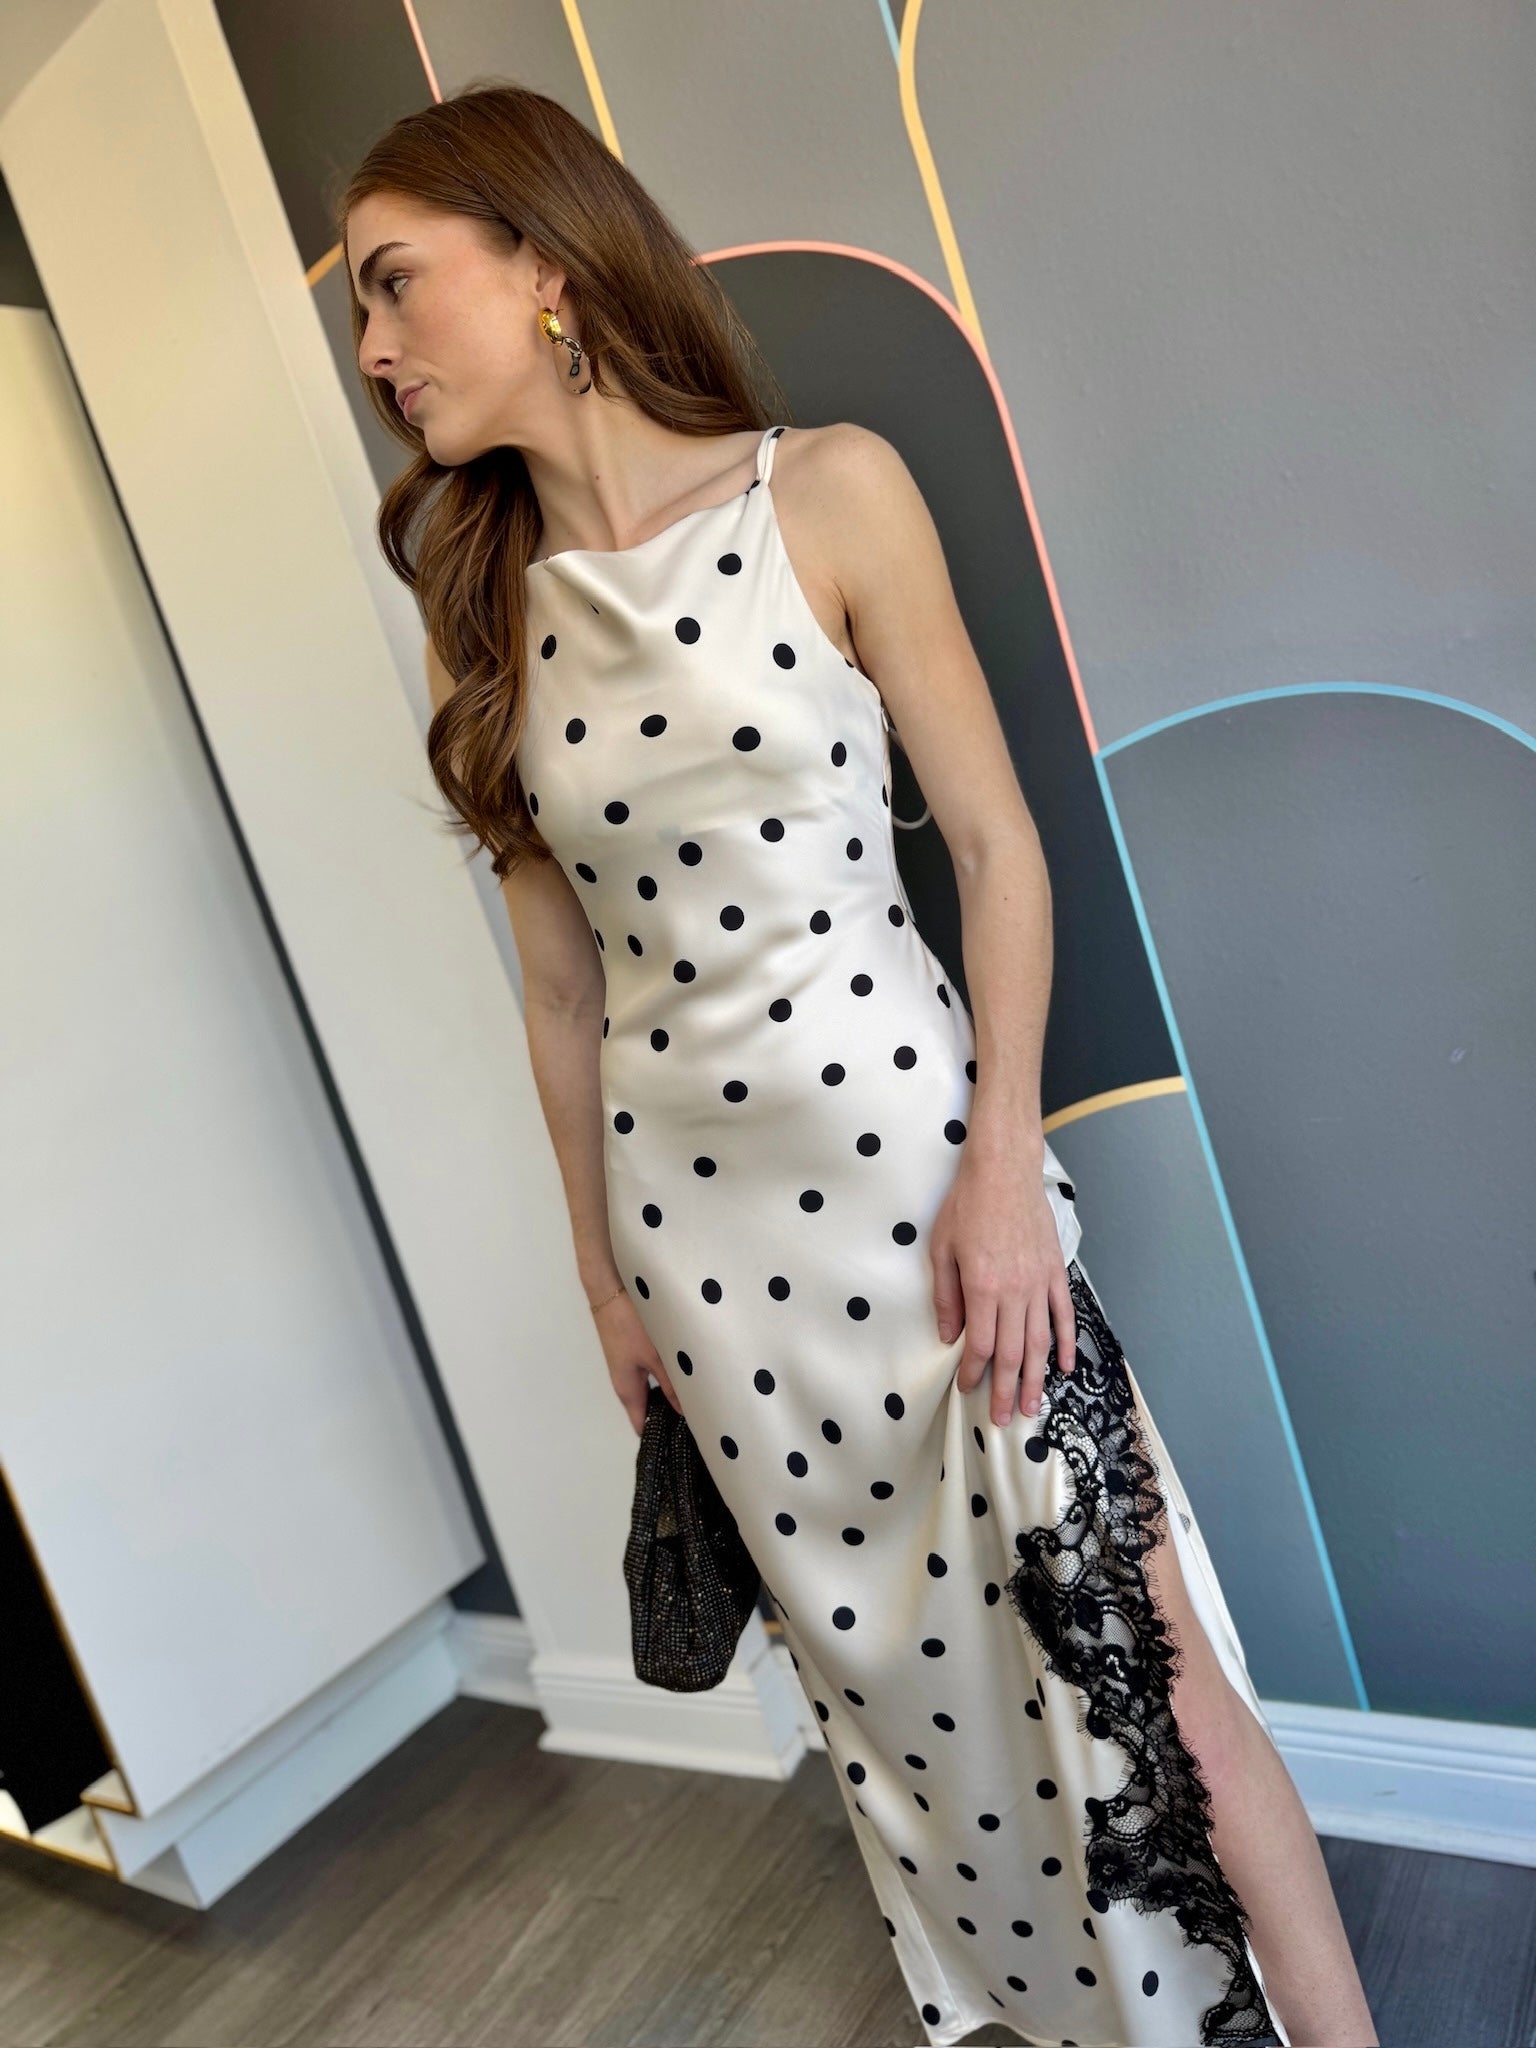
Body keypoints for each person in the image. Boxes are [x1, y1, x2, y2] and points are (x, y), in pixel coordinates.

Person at [341, 80, 1376, 2048]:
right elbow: (561, 999)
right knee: (912, 1721)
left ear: (542, 261)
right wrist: (604, 1281)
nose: (376, 349)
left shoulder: (825, 492)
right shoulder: (485, 615)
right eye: (358, 311)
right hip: (714, 1275)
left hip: (925, 1183)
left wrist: (1005, 1171)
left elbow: (994, 845)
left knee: (1147, 1666)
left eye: (395, 285)